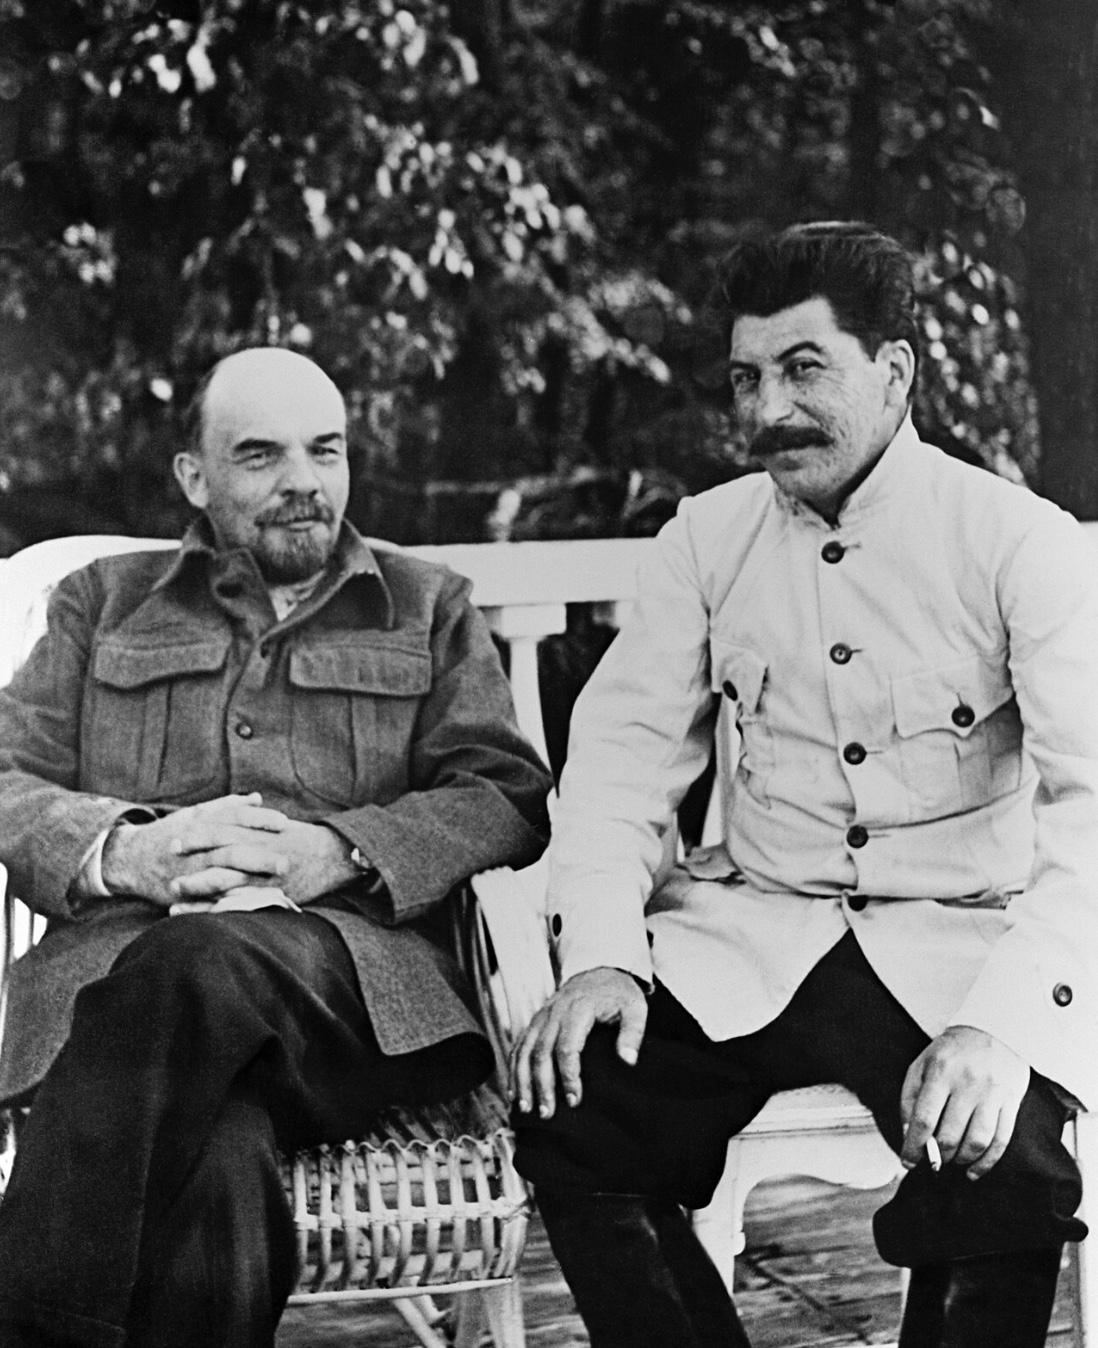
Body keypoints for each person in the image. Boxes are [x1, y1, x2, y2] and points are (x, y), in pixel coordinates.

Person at [512, 222, 1098, 1347]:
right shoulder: (707, 541)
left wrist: (1007, 1024)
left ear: (895, 372)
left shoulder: (1016, 542)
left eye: (803, 368)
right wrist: (601, 958)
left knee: (1002, 1149)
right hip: (753, 936)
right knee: (578, 1107)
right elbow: (621, 770)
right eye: (747, 378)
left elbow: (1092, 805)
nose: (768, 407)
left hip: (952, 942)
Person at [0, 346, 551, 1347]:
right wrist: (124, 853)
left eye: (325, 450)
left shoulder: (427, 605)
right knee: (217, 1165)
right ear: (194, 476)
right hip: (118, 983)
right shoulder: (101, 601)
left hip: (352, 994)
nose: (304, 480)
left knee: (199, 960)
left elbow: (502, 790)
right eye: (261, 455)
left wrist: (337, 850)